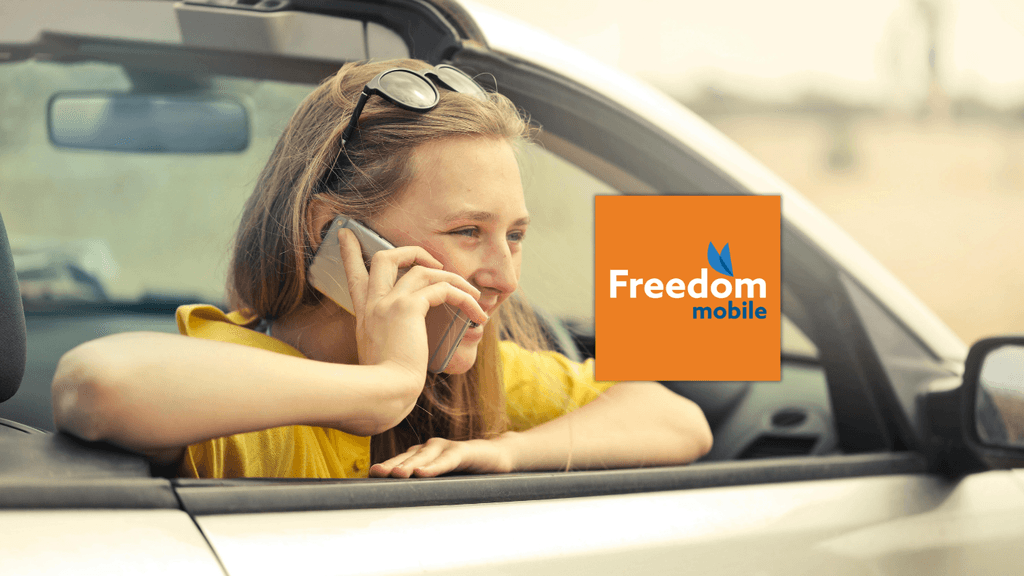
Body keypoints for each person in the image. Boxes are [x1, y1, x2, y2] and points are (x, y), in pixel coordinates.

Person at [51, 59, 712, 479]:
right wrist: (384, 387)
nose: (506, 277)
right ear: (331, 231)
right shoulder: (234, 372)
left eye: (514, 235)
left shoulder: (466, 376)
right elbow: (96, 386)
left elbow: (678, 419)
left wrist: (508, 452)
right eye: (467, 231)